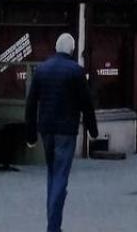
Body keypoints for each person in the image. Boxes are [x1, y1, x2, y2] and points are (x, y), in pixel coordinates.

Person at [24, 33, 99, 232]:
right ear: (72, 50)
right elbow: (87, 103)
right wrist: (93, 131)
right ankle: (53, 226)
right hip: (66, 130)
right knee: (60, 177)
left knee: (52, 174)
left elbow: (31, 103)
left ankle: (53, 222)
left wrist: (31, 134)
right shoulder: (76, 71)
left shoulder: (42, 69)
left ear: (56, 48)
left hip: (46, 129)